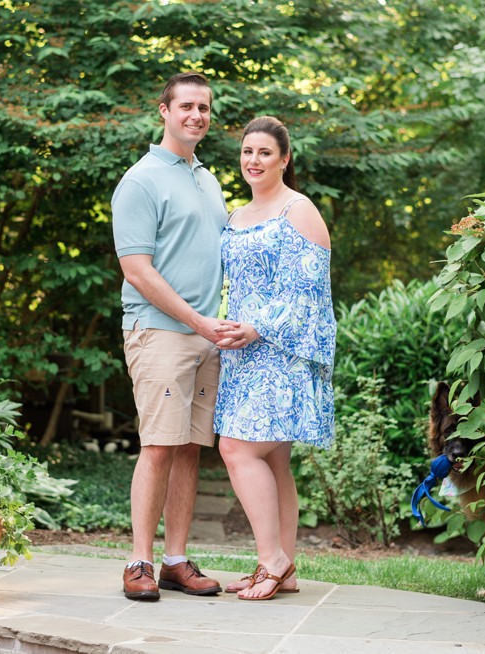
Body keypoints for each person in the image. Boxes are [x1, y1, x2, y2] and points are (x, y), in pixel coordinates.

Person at [111, 72, 234, 601]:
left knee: (189, 450)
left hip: (207, 336)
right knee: (159, 447)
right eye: (186, 106)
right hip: (159, 332)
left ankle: (175, 561)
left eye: (204, 108)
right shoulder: (140, 180)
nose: (196, 116)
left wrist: (216, 324)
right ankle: (137, 562)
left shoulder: (206, 178)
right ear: (163, 111)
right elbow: (137, 269)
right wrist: (197, 321)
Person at [213, 116, 336, 600]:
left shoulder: (298, 209)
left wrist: (258, 327)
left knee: (236, 448)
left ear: (284, 159)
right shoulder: (236, 216)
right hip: (241, 352)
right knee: (274, 457)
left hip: (282, 348)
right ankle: (284, 570)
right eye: (247, 151)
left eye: (265, 152)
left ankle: (272, 561)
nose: (253, 160)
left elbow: (309, 289)